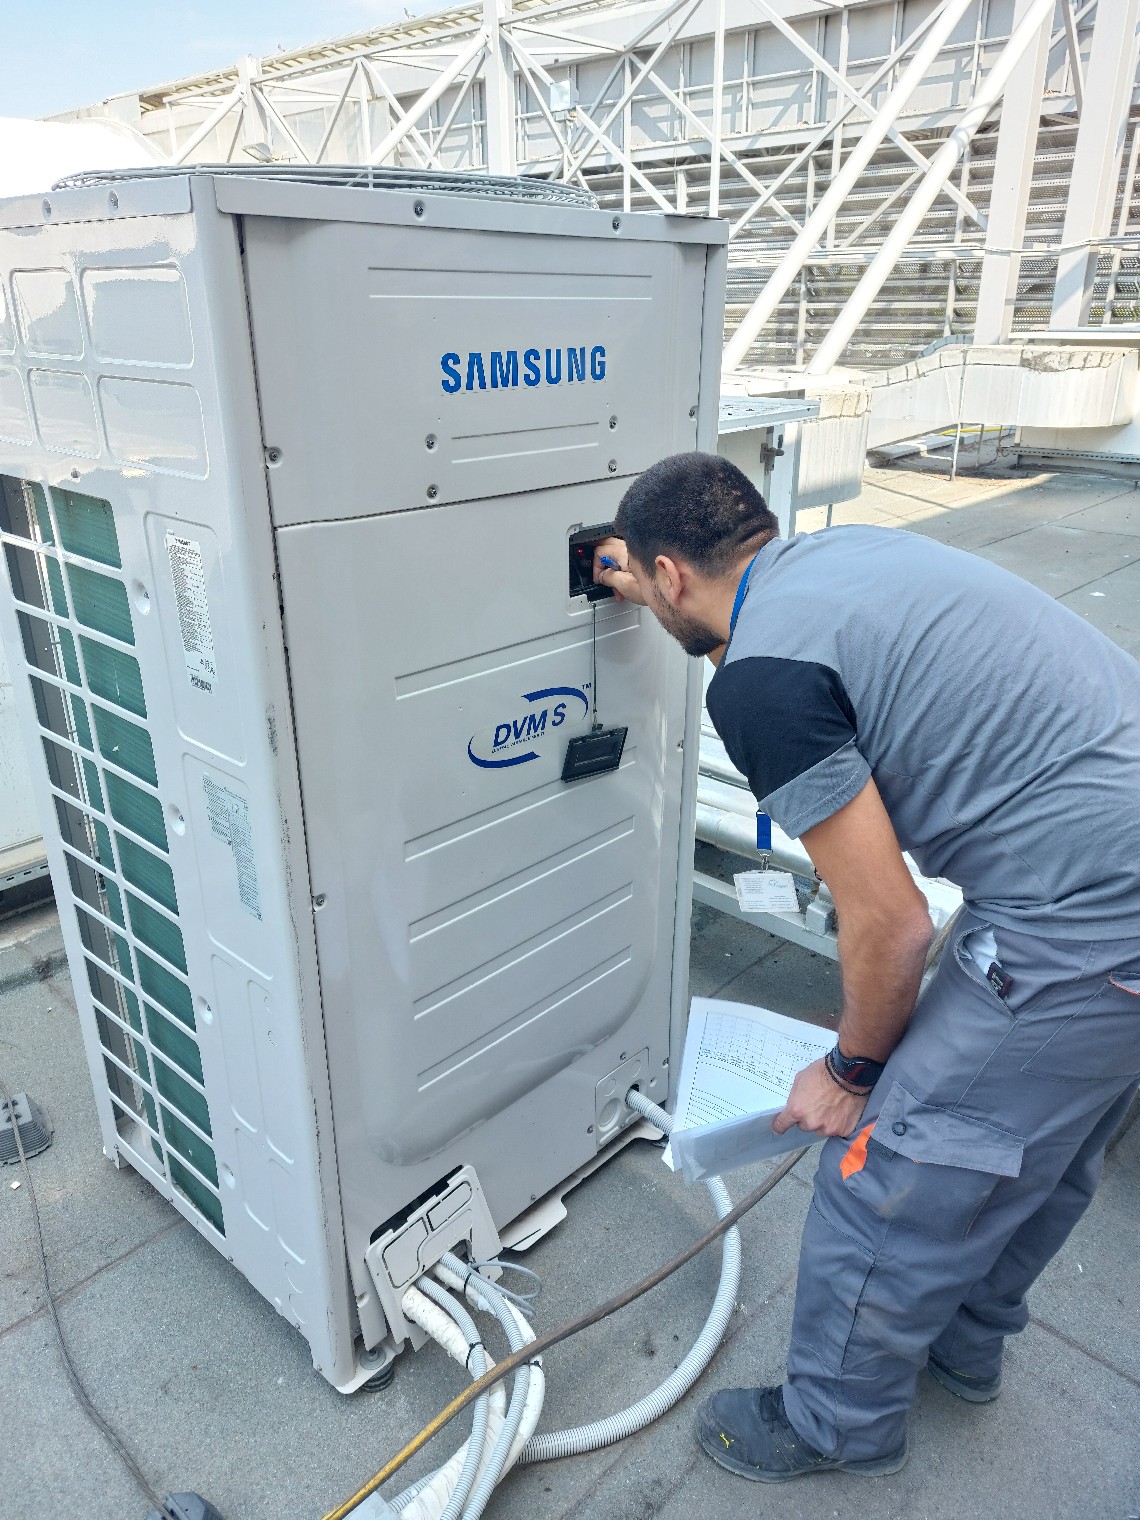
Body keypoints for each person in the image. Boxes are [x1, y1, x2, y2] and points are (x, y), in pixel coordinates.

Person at [591, 451, 1140, 1484]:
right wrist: (657, 590)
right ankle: (965, 1344)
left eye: (651, 581)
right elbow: (769, 647)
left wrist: (850, 1072)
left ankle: (836, 1421)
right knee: (1038, 1145)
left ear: (670, 573)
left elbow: (890, 924)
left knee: (888, 1171)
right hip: (1110, 879)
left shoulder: (763, 685)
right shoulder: (835, 561)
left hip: (1086, 919)